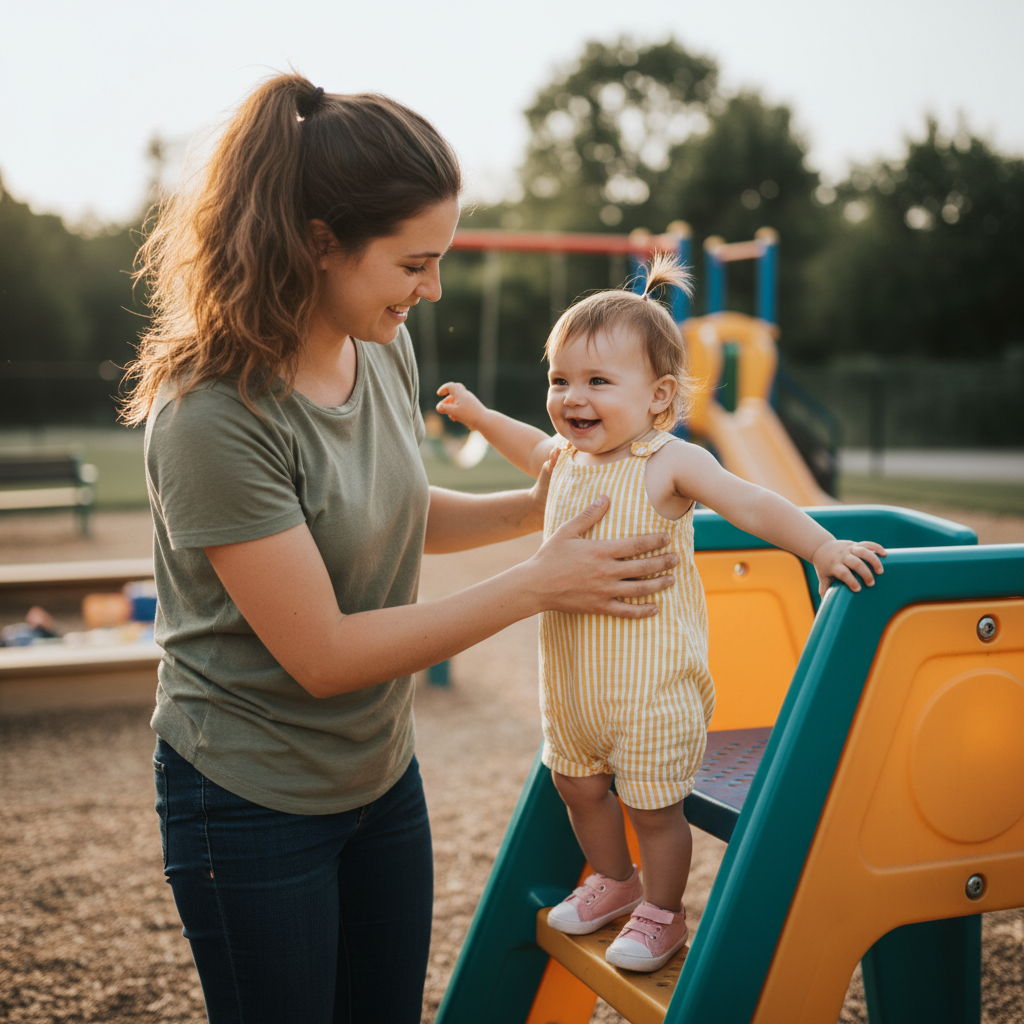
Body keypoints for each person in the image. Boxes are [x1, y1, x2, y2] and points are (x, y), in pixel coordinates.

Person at [122, 74, 682, 1024]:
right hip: (249, 798)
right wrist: (539, 582)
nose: (430, 289)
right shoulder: (211, 415)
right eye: (413, 263)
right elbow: (326, 655)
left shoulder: (379, 343)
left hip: (379, 773)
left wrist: (552, 503)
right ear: (318, 245)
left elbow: (399, 506)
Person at [435, 253, 887, 973]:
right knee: (575, 786)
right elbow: (530, 444)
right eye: (559, 380)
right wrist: (480, 414)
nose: (571, 397)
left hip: (653, 692)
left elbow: (751, 501)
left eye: (596, 382)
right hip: (577, 686)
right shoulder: (567, 462)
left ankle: (664, 914)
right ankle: (615, 883)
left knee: (655, 811)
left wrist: (822, 546)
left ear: (658, 397)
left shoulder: (668, 463)